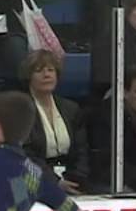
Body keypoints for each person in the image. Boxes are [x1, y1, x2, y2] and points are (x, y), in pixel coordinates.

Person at [20, 49, 90, 194]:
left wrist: (78, 178)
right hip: (34, 182)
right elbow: (26, 155)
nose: (47, 75)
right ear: (29, 76)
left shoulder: (71, 109)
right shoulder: (21, 110)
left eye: (51, 70)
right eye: (39, 71)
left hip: (71, 178)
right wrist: (54, 182)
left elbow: (82, 150)